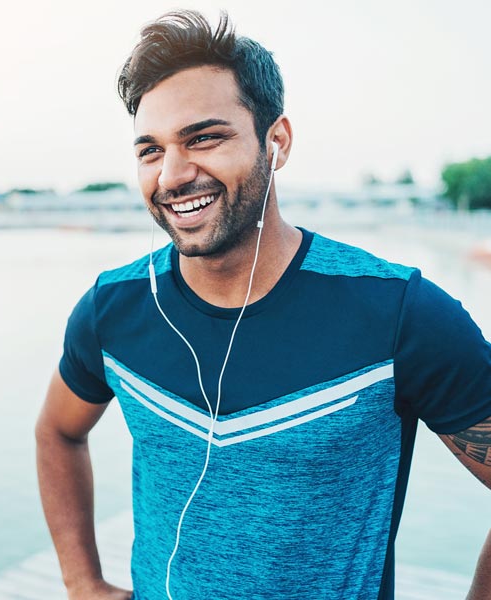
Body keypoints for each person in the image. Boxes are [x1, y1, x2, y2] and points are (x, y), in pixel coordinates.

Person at [35, 10, 491, 600]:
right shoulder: (113, 307)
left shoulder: (397, 310)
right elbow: (58, 433)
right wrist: (81, 582)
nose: (172, 175)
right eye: (151, 150)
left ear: (276, 142)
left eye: (204, 137)